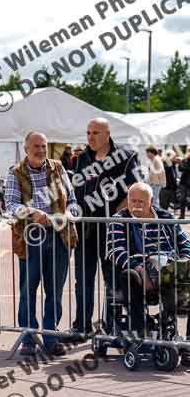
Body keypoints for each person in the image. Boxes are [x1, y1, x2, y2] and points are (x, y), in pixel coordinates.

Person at [5, 132, 78, 357]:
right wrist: (31, 212)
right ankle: (29, 337)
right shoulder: (15, 172)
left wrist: (64, 215)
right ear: (26, 149)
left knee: (54, 291)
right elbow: (10, 204)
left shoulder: (58, 167)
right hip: (30, 238)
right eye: (36, 146)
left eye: (43, 146)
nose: (40, 150)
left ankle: (51, 337)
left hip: (59, 236)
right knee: (29, 289)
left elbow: (74, 202)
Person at [72, 117, 140, 338]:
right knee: (83, 279)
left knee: (112, 279)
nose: (91, 137)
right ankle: (81, 326)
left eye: (96, 133)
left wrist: (116, 218)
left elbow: (132, 191)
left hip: (113, 231)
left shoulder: (126, 157)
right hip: (86, 229)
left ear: (108, 134)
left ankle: (111, 326)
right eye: (88, 133)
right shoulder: (82, 158)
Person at [106, 182, 190, 342]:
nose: (135, 205)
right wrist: (139, 268)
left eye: (141, 202)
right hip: (139, 268)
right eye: (132, 200)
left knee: (183, 274)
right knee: (130, 276)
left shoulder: (166, 217)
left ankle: (186, 343)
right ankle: (140, 335)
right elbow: (115, 251)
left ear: (151, 202)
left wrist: (185, 260)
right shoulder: (119, 219)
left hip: (168, 266)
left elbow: (185, 243)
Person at [178, 151, 190, 219]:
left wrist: (183, 162)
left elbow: (187, 168)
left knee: (187, 199)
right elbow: (180, 168)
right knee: (182, 199)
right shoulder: (185, 160)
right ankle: (182, 215)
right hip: (184, 183)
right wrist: (181, 162)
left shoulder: (185, 161)